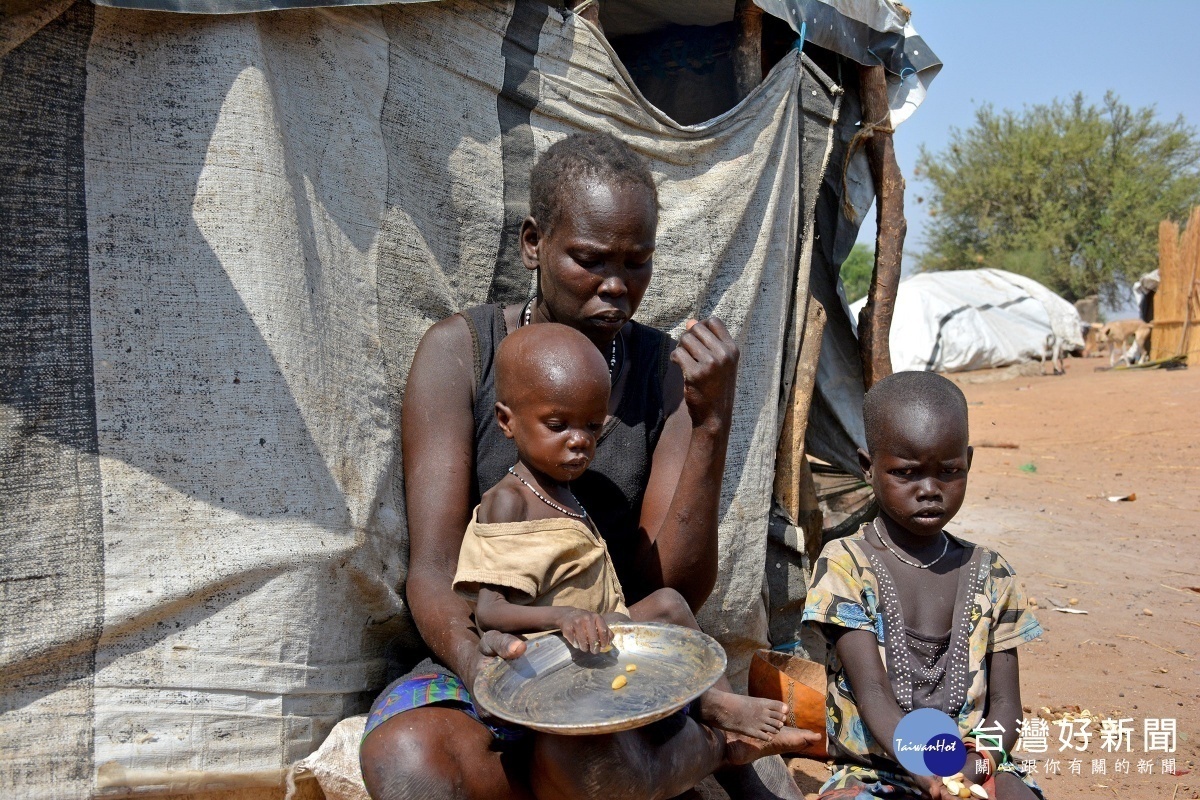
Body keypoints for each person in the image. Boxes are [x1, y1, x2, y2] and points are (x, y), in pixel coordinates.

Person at [360, 132, 807, 800]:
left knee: (594, 771)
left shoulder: (666, 373)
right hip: (493, 645)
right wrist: (479, 669)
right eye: (591, 260)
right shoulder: (462, 354)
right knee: (407, 761)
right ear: (534, 242)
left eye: (637, 264)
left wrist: (710, 423)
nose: (616, 288)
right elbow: (433, 568)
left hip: (613, 646)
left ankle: (711, 748)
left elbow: (675, 585)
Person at [455, 321, 819, 747]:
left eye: (591, 427)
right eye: (558, 426)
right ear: (506, 421)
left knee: (668, 604)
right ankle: (715, 711)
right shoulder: (509, 501)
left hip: (590, 636)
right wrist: (564, 617)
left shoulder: (565, 493)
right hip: (543, 653)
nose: (579, 442)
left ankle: (723, 709)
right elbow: (491, 612)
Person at [802, 371, 1045, 800]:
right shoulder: (846, 566)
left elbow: (1007, 706)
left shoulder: (993, 575)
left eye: (949, 471)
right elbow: (873, 693)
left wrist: (976, 766)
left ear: (968, 461)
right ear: (867, 468)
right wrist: (924, 768)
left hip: (972, 766)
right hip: (877, 769)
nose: (930, 490)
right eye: (907, 473)